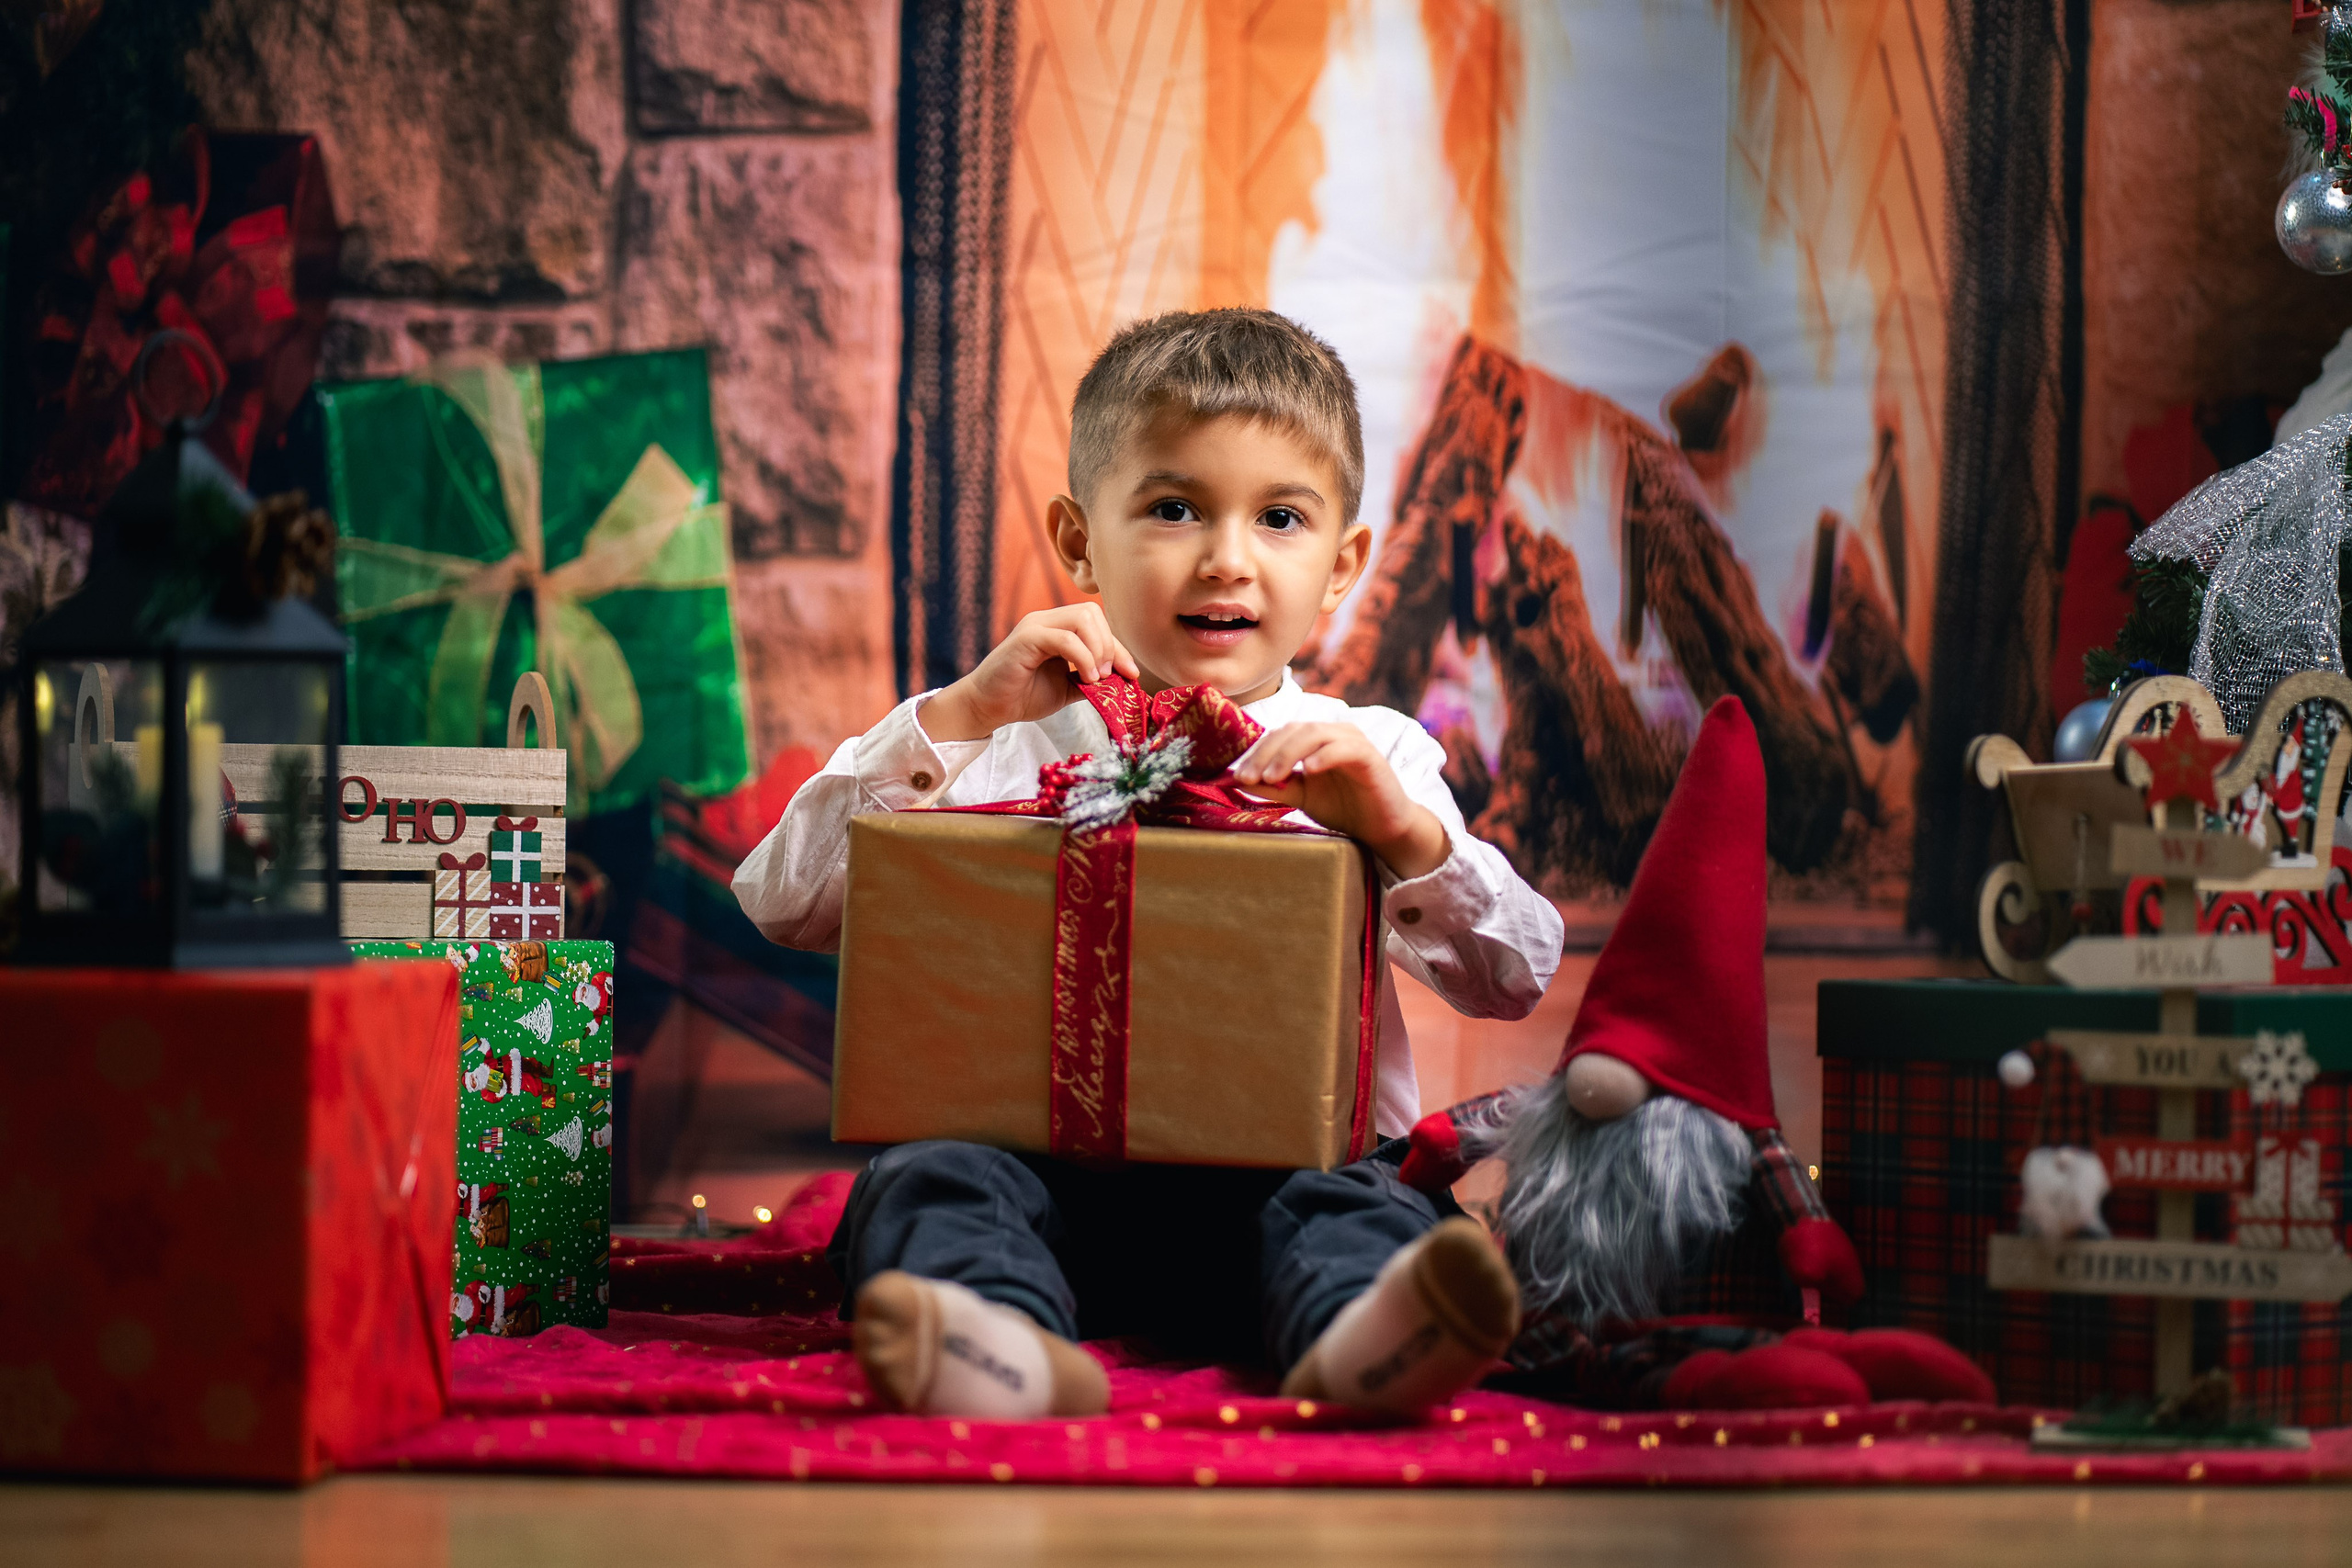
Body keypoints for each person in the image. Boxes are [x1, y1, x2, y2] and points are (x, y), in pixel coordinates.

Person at [734, 308, 1564, 1418]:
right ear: (1080, 543)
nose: (1225, 557)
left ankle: (1366, 1340)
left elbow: (1514, 975)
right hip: (1052, 1198)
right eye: (1173, 509)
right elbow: (781, 903)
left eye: (1279, 518)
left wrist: (1400, 835)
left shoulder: (1379, 755)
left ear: (1341, 566)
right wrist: (951, 719)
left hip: (1288, 1186)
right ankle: (997, 1342)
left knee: (1364, 1207)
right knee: (930, 1179)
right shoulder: (992, 735)